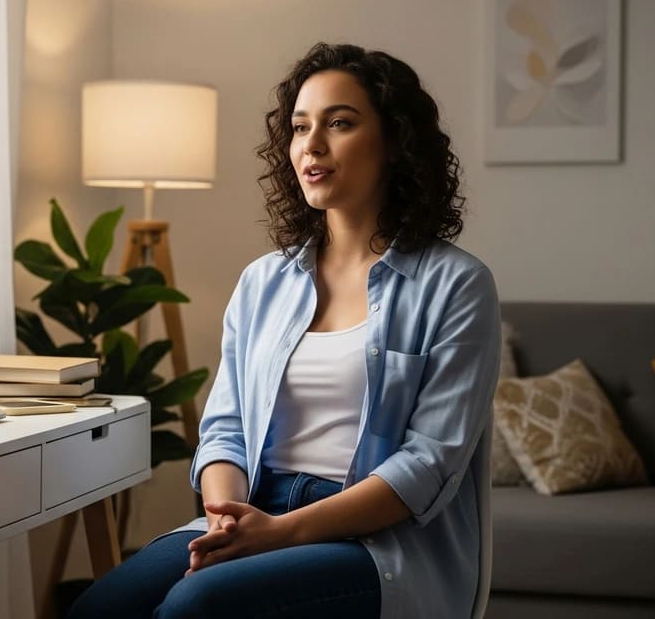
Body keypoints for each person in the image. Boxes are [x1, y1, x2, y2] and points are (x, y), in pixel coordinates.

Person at [67, 43, 500, 619]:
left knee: (197, 606)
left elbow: (426, 465)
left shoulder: (457, 285)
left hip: (373, 540)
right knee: (100, 608)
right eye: (300, 127)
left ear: (395, 141)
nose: (311, 145)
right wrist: (228, 521)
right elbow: (224, 430)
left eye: (339, 123)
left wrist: (280, 534)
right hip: (254, 508)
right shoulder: (263, 282)